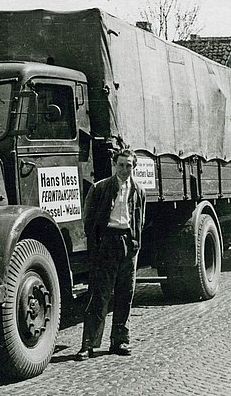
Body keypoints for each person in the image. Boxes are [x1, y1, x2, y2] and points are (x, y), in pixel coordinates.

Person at [75, 148, 146, 361]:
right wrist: (97, 245)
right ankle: (88, 345)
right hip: (107, 242)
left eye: (129, 166)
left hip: (129, 243)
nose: (125, 170)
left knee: (126, 293)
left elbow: (139, 219)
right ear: (115, 165)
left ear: (134, 167)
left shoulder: (138, 191)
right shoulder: (100, 188)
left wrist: (135, 242)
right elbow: (88, 220)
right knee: (100, 294)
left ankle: (120, 341)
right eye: (121, 165)